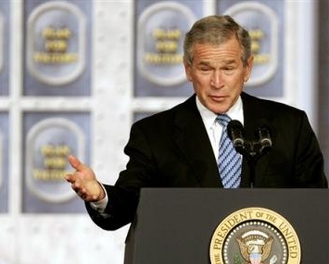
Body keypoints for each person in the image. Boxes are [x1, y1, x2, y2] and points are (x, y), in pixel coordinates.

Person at [65, 15, 327, 230]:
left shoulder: (290, 126)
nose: (217, 82)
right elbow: (130, 202)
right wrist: (100, 195)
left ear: (247, 69)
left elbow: (315, 209)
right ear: (188, 69)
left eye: (228, 68)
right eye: (205, 69)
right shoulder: (155, 134)